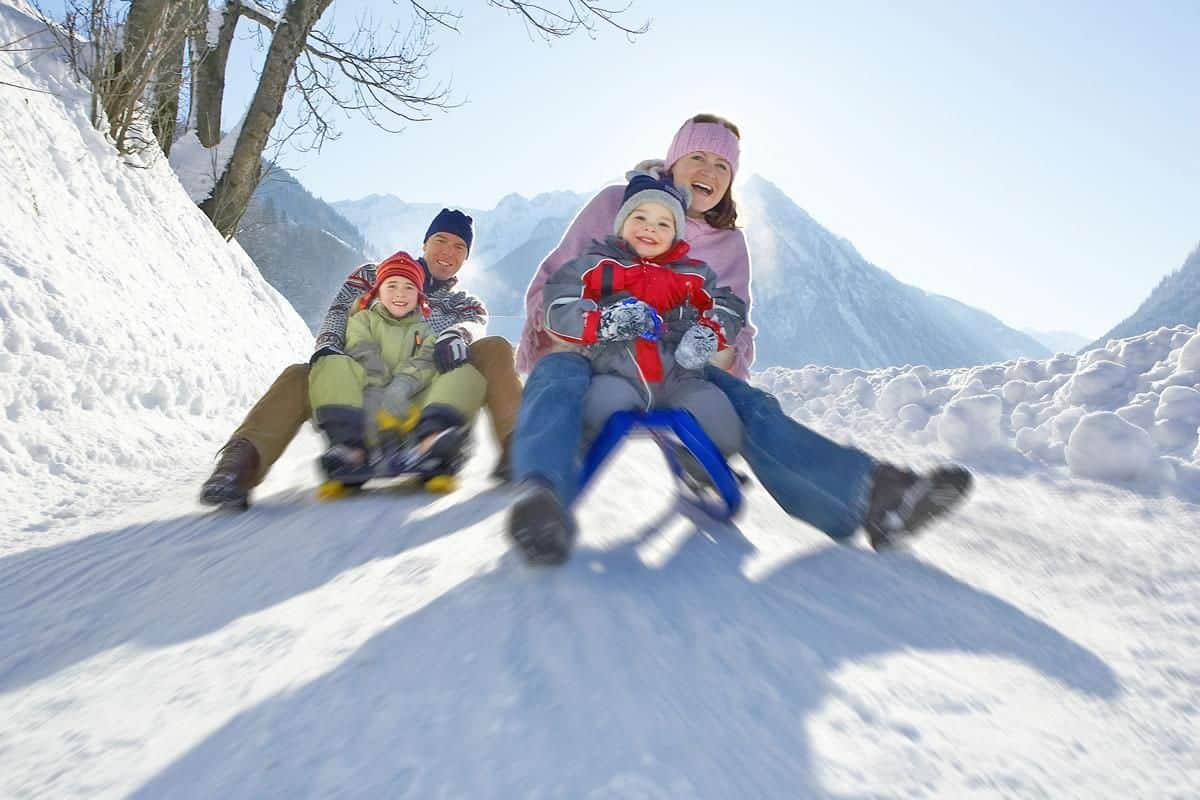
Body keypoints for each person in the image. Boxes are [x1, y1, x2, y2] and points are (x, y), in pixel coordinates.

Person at [509, 114, 971, 562]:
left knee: (750, 404)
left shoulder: (726, 246)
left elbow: (734, 322)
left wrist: (712, 345)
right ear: (673, 161)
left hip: (676, 365)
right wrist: (579, 328)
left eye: (722, 167)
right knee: (557, 373)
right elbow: (556, 281)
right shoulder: (617, 204)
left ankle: (874, 496)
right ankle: (540, 494)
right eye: (698, 157)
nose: (708, 172)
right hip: (591, 352)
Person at [200, 208, 523, 508]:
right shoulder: (372, 276)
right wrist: (328, 348)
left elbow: (474, 324)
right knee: (299, 375)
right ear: (425, 243)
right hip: (364, 392)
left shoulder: (463, 303)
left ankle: (519, 447)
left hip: (425, 391)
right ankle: (239, 465)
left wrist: (458, 335)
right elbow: (340, 312)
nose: (447, 253)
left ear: (467, 257)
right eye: (440, 241)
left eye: (458, 247)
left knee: (494, 347)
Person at [307, 251, 486, 483]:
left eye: (409, 288)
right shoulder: (362, 320)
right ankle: (350, 448)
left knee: (463, 371)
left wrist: (404, 383)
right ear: (378, 292)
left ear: (420, 296)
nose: (400, 294)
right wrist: (378, 387)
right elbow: (362, 351)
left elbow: (426, 361)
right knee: (331, 361)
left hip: (411, 409)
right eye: (391, 286)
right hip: (366, 407)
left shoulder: (425, 330)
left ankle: (431, 440)